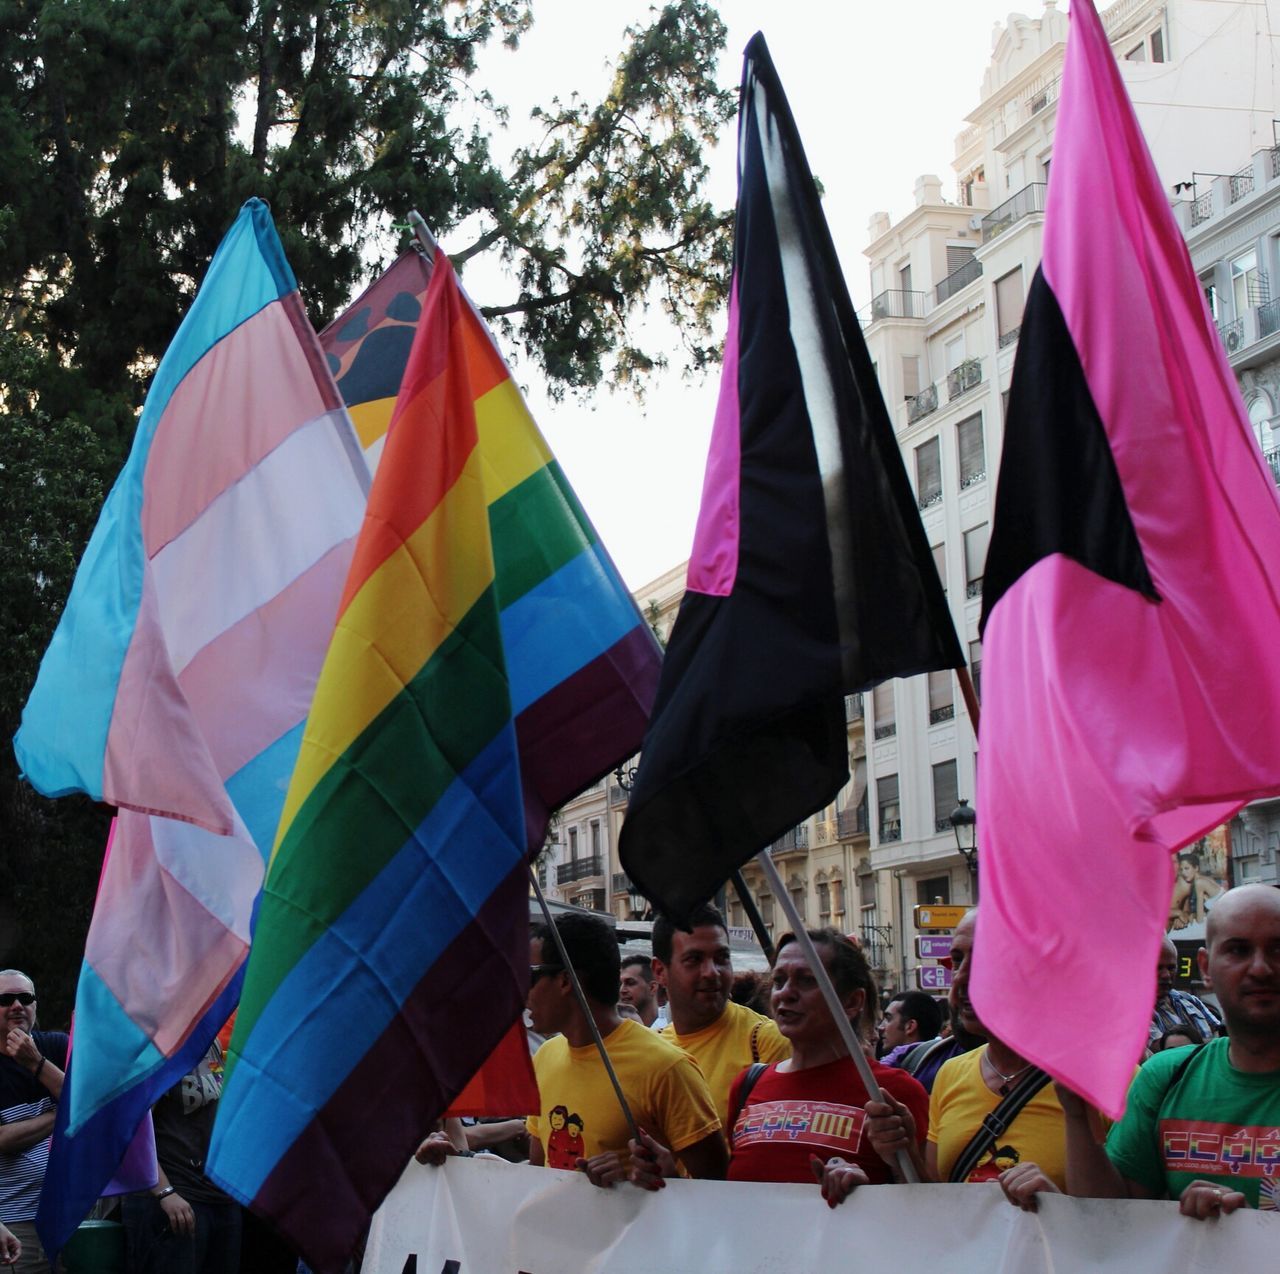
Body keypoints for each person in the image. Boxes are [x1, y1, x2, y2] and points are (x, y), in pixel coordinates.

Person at [631, 928, 929, 1206]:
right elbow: (727, 1204)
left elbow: (931, 1212)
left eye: (807, 980)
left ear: (852, 1001)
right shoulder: (749, 1085)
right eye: (779, 980)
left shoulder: (893, 1093)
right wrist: (669, 1176)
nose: (786, 993)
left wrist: (868, 1193)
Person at [1060, 884, 1280, 1218]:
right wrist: (1076, 1113)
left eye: (1278, 950)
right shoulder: (1166, 1077)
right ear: (1205, 968)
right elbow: (1106, 1220)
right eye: (1238, 950)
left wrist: (1254, 1232)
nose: (1260, 968)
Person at [864, 910, 1076, 1206]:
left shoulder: (1106, 1080)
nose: (961, 978)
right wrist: (902, 1157)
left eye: (984, 961)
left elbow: (1129, 1222)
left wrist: (1060, 1207)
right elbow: (939, 1205)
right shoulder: (950, 1074)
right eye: (958, 960)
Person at [524, 913, 726, 1186]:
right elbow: (538, 1175)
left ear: (564, 981)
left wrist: (660, 1179)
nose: (521, 990)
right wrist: (463, 1161)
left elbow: (719, 1190)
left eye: (529, 975)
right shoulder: (545, 1058)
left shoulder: (666, 1067)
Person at [651, 905, 790, 1125]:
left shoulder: (768, 1042)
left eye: (722, 957)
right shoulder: (652, 1049)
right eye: (694, 959)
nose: (711, 972)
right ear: (660, 971)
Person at [122, 1036, 241, 1274]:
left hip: (218, 1196)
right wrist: (165, 1192)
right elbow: (129, 1130)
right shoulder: (157, 1046)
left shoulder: (210, 1038)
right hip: (175, 1198)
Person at [0, 970, 68, 1274]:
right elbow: (3, 1140)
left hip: (68, 1212)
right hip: (14, 1222)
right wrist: (59, 1115)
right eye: (5, 999)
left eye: (25, 998)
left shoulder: (56, 1046)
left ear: (35, 1006)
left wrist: (36, 1064)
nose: (17, 1005)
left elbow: (88, 1106)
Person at [1150, 935, 1220, 1045]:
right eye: (1158, 968)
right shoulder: (1136, 1012)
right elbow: (1163, 1050)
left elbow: (1221, 1033)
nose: (1166, 975)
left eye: (1171, 968)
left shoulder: (1190, 1000)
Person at [877, 992, 943, 1061]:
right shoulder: (939, 1064)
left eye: (888, 1019)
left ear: (910, 1026)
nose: (881, 1027)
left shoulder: (891, 1067)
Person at [1168, 851, 1225, 931]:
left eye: (1187, 868)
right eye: (1181, 869)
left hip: (1225, 921)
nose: (1184, 873)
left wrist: (1192, 916)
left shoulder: (1199, 883)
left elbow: (1200, 920)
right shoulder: (1206, 879)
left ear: (1196, 868)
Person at [619, 956, 661, 1028]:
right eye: (620, 984)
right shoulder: (615, 1030)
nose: (622, 990)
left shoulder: (670, 1032)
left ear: (652, 988)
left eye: (630, 983)